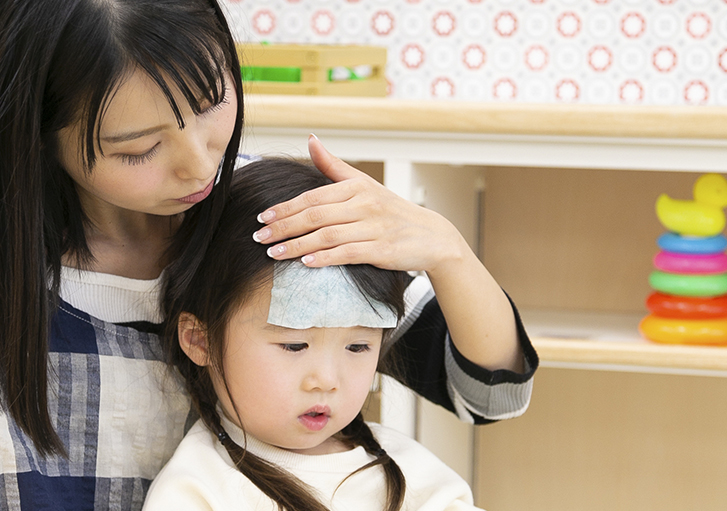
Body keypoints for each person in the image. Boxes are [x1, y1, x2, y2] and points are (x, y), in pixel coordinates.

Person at [0, 0, 537, 509]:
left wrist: (447, 251)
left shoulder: (277, 215)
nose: (198, 165)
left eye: (211, 103)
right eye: (140, 148)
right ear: (38, 134)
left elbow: (489, 395)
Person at [144, 158, 485, 511]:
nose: (326, 380)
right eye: (294, 345)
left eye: (357, 346)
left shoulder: (414, 473)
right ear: (200, 340)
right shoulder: (197, 489)